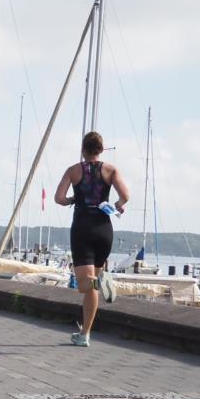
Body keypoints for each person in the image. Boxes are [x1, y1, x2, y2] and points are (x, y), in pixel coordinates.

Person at [54, 131, 130, 347]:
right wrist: (117, 205)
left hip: (82, 228)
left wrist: (72, 199)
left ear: (83, 149)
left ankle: (100, 280)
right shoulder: (111, 170)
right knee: (91, 288)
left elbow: (58, 198)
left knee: (84, 285)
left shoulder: (73, 170)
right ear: (101, 150)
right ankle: (84, 335)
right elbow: (125, 196)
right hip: (104, 229)